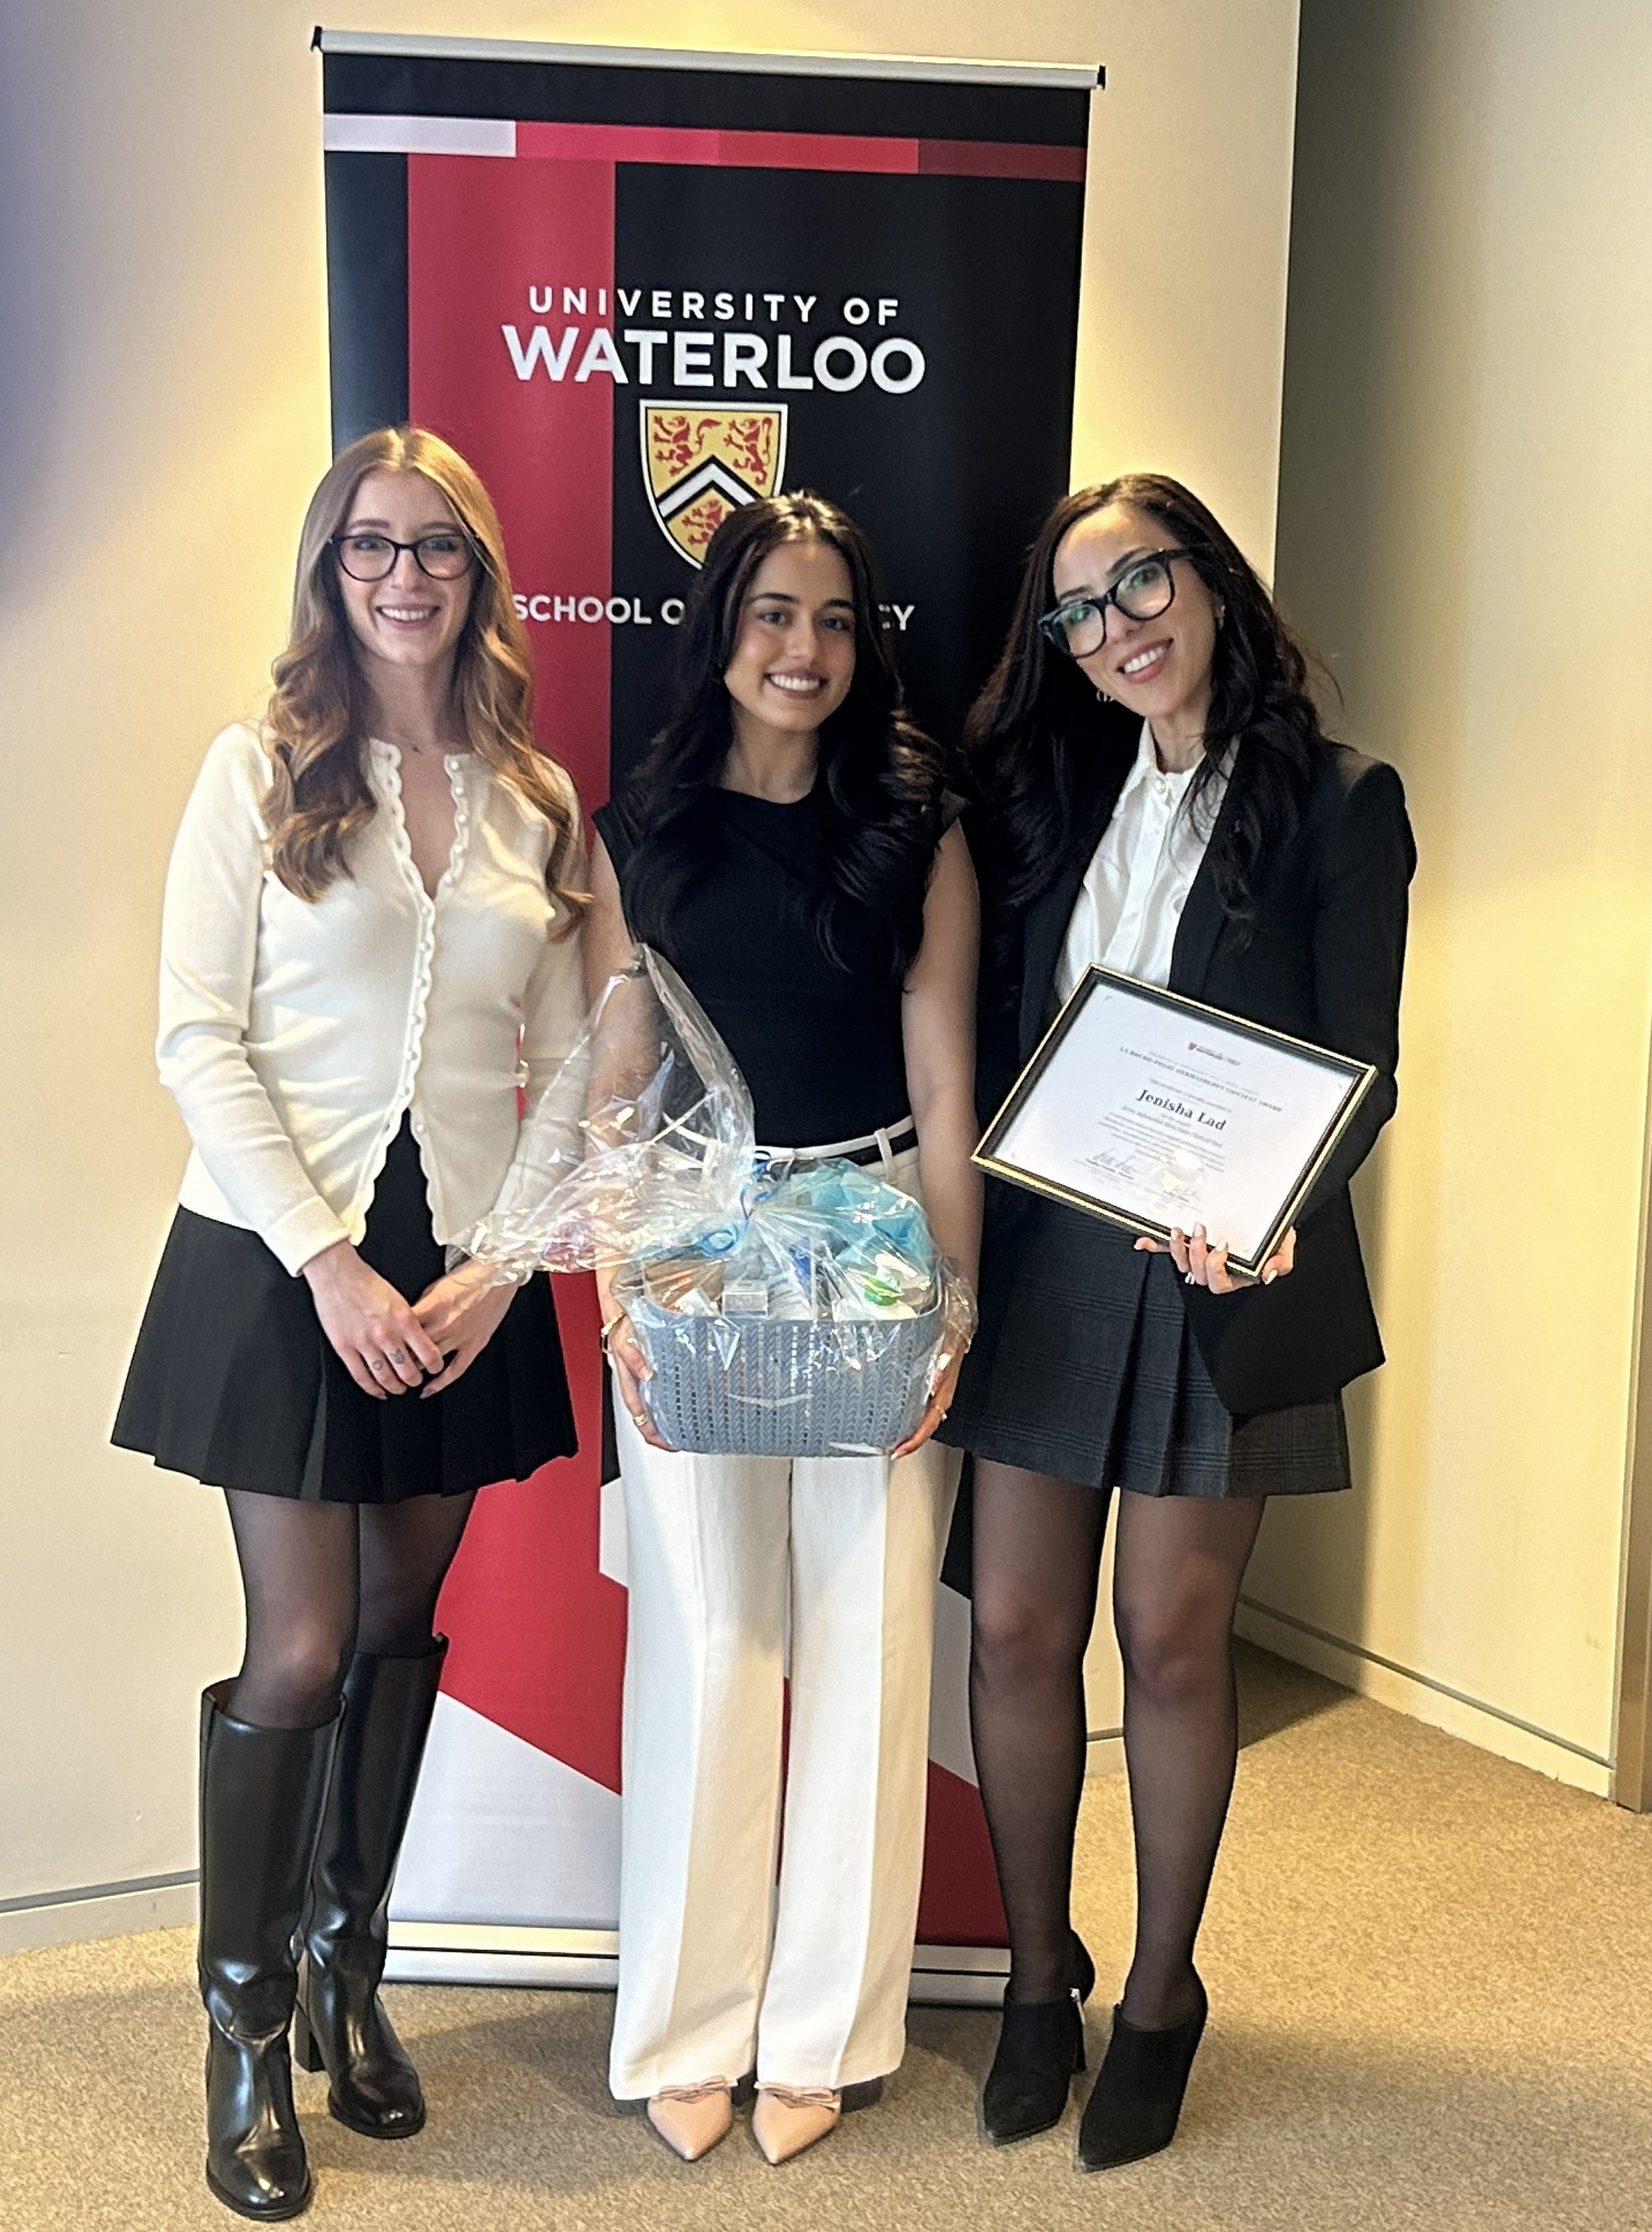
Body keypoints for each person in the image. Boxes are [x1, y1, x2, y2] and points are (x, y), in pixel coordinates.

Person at [112, 425, 590, 2221]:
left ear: (478, 577)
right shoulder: (257, 773)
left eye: (439, 548)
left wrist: (498, 1268)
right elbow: (192, 1037)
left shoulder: (538, 800)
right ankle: (242, 2033)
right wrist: (327, 1256)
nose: (405, 575)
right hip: (278, 1258)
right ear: (331, 573)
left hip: (461, 1262)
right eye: (372, 546)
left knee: (406, 1619)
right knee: (299, 1647)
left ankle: (346, 1974)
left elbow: (573, 1065)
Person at [949, 472, 1413, 2171]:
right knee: (1011, 1630)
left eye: (1142, 583)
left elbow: (1363, 1064)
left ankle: (1157, 1998)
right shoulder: (1055, 805)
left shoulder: (1341, 804)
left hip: (1230, 1273)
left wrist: (1273, 1209)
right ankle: (1028, 1977)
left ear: (1211, 583)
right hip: (1056, 1258)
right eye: (1080, 609)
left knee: (1168, 1639)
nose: (1118, 626)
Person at [582, 492, 980, 2169]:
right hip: (690, 1252)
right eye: (769, 615)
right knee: (709, 1632)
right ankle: (688, 2026)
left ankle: (822, 2030)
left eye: (831, 618)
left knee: (875, 1638)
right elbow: (617, 1084)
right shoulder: (640, 830)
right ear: (720, 633)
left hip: (878, 1239)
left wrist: (953, 1305)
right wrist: (613, 1291)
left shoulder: (917, 828)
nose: (801, 649)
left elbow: (946, 1072)